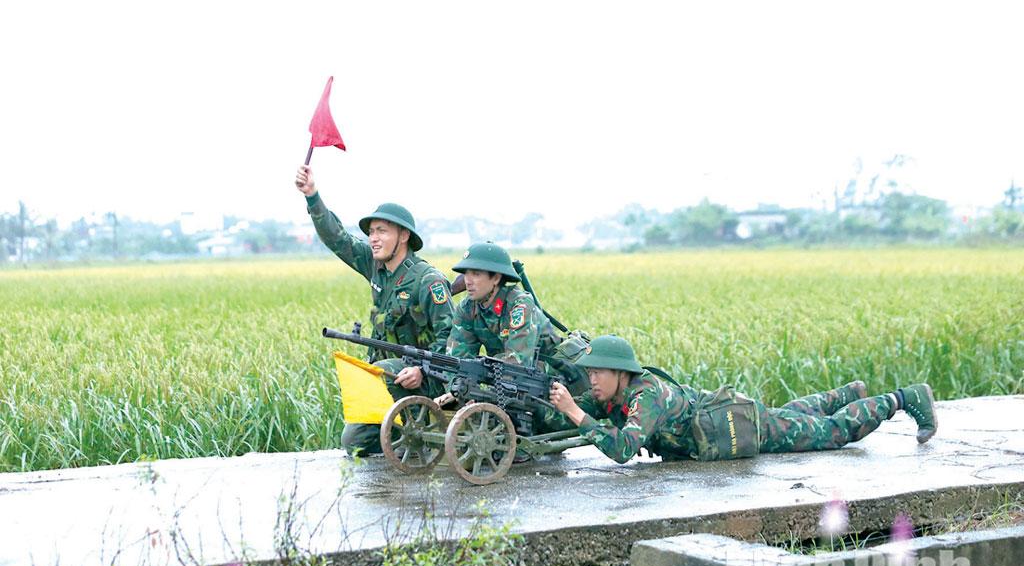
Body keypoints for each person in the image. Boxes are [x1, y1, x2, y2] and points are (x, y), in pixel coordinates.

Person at [548, 334, 938, 465]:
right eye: (589, 372)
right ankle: (847, 393)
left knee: (831, 433)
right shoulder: (612, 393)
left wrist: (574, 411)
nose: (591, 379)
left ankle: (904, 398)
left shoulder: (646, 395)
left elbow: (622, 449)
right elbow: (561, 417)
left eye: (598, 372)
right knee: (790, 418)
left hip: (735, 426)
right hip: (729, 417)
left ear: (621, 372)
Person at [295, 163, 454, 454]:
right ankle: (409, 435)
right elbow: (337, 238)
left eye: (382, 231)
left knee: (378, 376)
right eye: (371, 232)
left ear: (403, 236)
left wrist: (421, 370)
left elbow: (451, 339)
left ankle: (421, 428)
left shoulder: (428, 281)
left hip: (428, 379)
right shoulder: (375, 265)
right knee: (354, 443)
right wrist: (312, 195)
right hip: (389, 376)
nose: (373, 238)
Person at [442, 242, 588, 434]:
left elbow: (517, 362)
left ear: (496, 278)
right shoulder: (467, 308)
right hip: (508, 376)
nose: (467, 281)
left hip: (550, 377)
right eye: (466, 273)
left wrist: (479, 392)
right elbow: (457, 359)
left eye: (476, 274)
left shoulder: (519, 305)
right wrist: (456, 390)